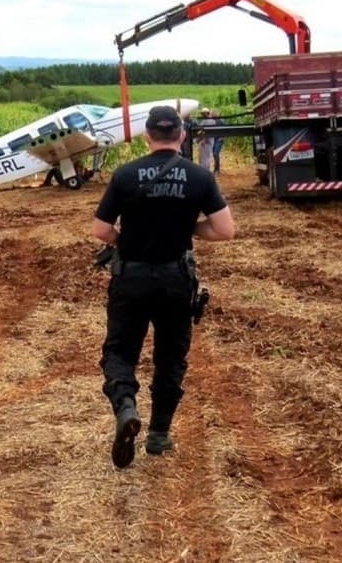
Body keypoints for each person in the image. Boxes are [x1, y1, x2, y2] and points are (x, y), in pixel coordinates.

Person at [93, 105, 236, 469]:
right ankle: (158, 435)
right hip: (175, 280)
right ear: (182, 136)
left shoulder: (125, 175)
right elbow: (224, 230)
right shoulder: (199, 177)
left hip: (131, 278)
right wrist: (187, 227)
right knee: (171, 359)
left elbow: (101, 230)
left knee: (120, 352)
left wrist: (125, 239)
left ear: (147, 136)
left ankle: (126, 406)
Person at [210, 111, 225, 176]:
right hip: (214, 139)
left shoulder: (221, 121)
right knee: (214, 154)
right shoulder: (212, 121)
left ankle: (217, 170)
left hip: (219, 140)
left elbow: (226, 130)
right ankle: (215, 169)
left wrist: (222, 137)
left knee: (216, 153)